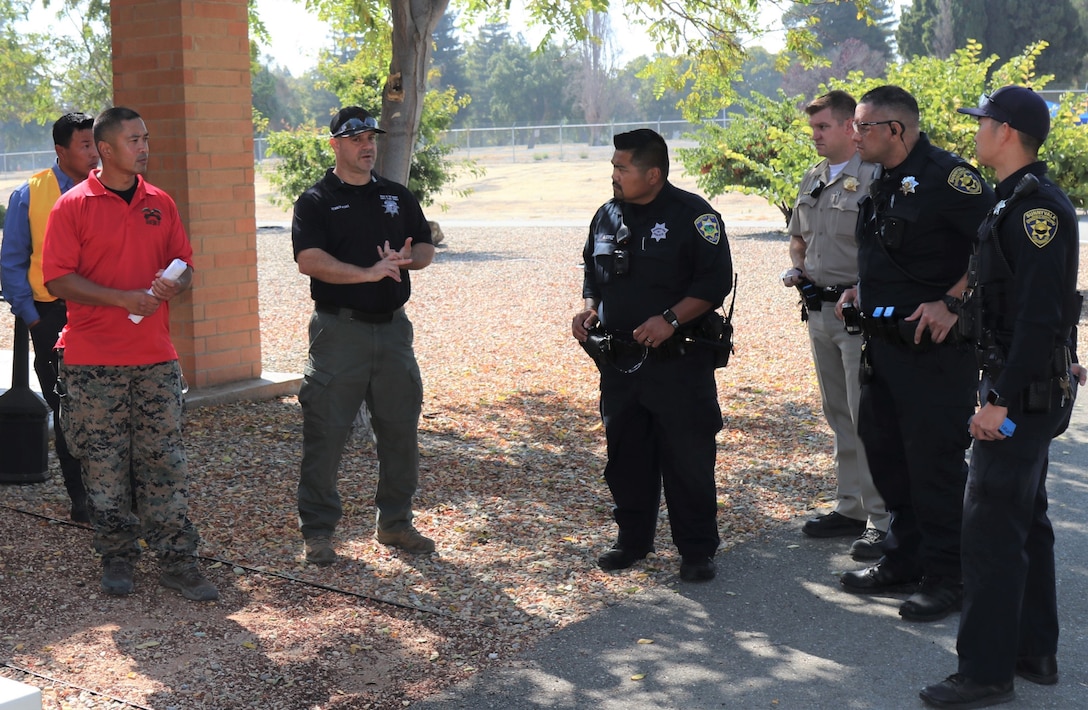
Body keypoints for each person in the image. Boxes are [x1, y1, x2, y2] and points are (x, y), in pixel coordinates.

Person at [920, 86, 1082, 708]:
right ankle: (1033, 651)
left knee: (989, 529)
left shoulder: (1035, 210)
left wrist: (1002, 401)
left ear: (1007, 131)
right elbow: (1036, 307)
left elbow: (1040, 314)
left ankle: (985, 672)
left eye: (982, 122)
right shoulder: (1011, 202)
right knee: (1025, 521)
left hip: (1019, 396)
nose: (976, 131)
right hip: (1026, 383)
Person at [40, 106, 218, 602]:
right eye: (135, 139)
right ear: (106, 148)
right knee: (104, 464)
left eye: (146, 138)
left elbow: (186, 266)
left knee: (164, 460)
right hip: (93, 361)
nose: (144, 147)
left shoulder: (159, 201)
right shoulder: (72, 206)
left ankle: (178, 560)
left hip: (155, 357)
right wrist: (122, 298)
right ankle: (117, 556)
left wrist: (174, 281)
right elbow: (56, 279)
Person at [837, 86, 994, 622]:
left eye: (863, 126)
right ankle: (905, 560)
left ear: (895, 130)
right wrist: (861, 289)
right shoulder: (880, 179)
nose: (853, 135)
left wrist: (954, 300)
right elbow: (887, 253)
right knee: (888, 458)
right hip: (883, 349)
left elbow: (995, 246)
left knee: (934, 466)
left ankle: (949, 577)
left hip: (936, 354)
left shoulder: (951, 179)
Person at [572, 128, 733, 582]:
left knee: (687, 458)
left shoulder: (693, 216)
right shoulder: (606, 216)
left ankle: (697, 550)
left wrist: (671, 319)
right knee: (626, 457)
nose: (614, 175)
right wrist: (587, 311)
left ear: (653, 173)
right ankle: (633, 541)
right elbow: (593, 273)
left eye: (623, 168)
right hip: (620, 364)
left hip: (678, 363)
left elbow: (713, 283)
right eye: (614, 166)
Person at [291, 106, 435, 565]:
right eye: (356, 140)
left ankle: (395, 523)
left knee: (400, 430)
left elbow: (425, 244)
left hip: (393, 332)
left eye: (371, 138)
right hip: (339, 332)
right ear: (335, 144)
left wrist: (411, 260)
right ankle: (317, 531)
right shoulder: (315, 201)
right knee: (327, 433)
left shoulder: (396, 195)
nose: (367, 146)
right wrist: (368, 274)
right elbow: (309, 260)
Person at [782, 90, 890, 559]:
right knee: (838, 414)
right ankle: (850, 507)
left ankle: (882, 518)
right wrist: (798, 268)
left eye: (823, 127)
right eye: (813, 129)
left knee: (866, 414)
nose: (816, 137)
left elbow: (885, 252)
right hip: (818, 310)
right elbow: (798, 238)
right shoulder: (814, 177)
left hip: (856, 315)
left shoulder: (875, 179)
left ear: (851, 127)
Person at [2, 112, 98, 523]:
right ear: (61, 151)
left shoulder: (109, 186)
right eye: (86, 146)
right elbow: (11, 262)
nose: (96, 153)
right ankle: (81, 498)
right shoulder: (29, 195)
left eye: (97, 144)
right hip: (51, 319)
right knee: (66, 408)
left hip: (104, 314)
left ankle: (115, 493)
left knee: (108, 405)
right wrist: (33, 318)